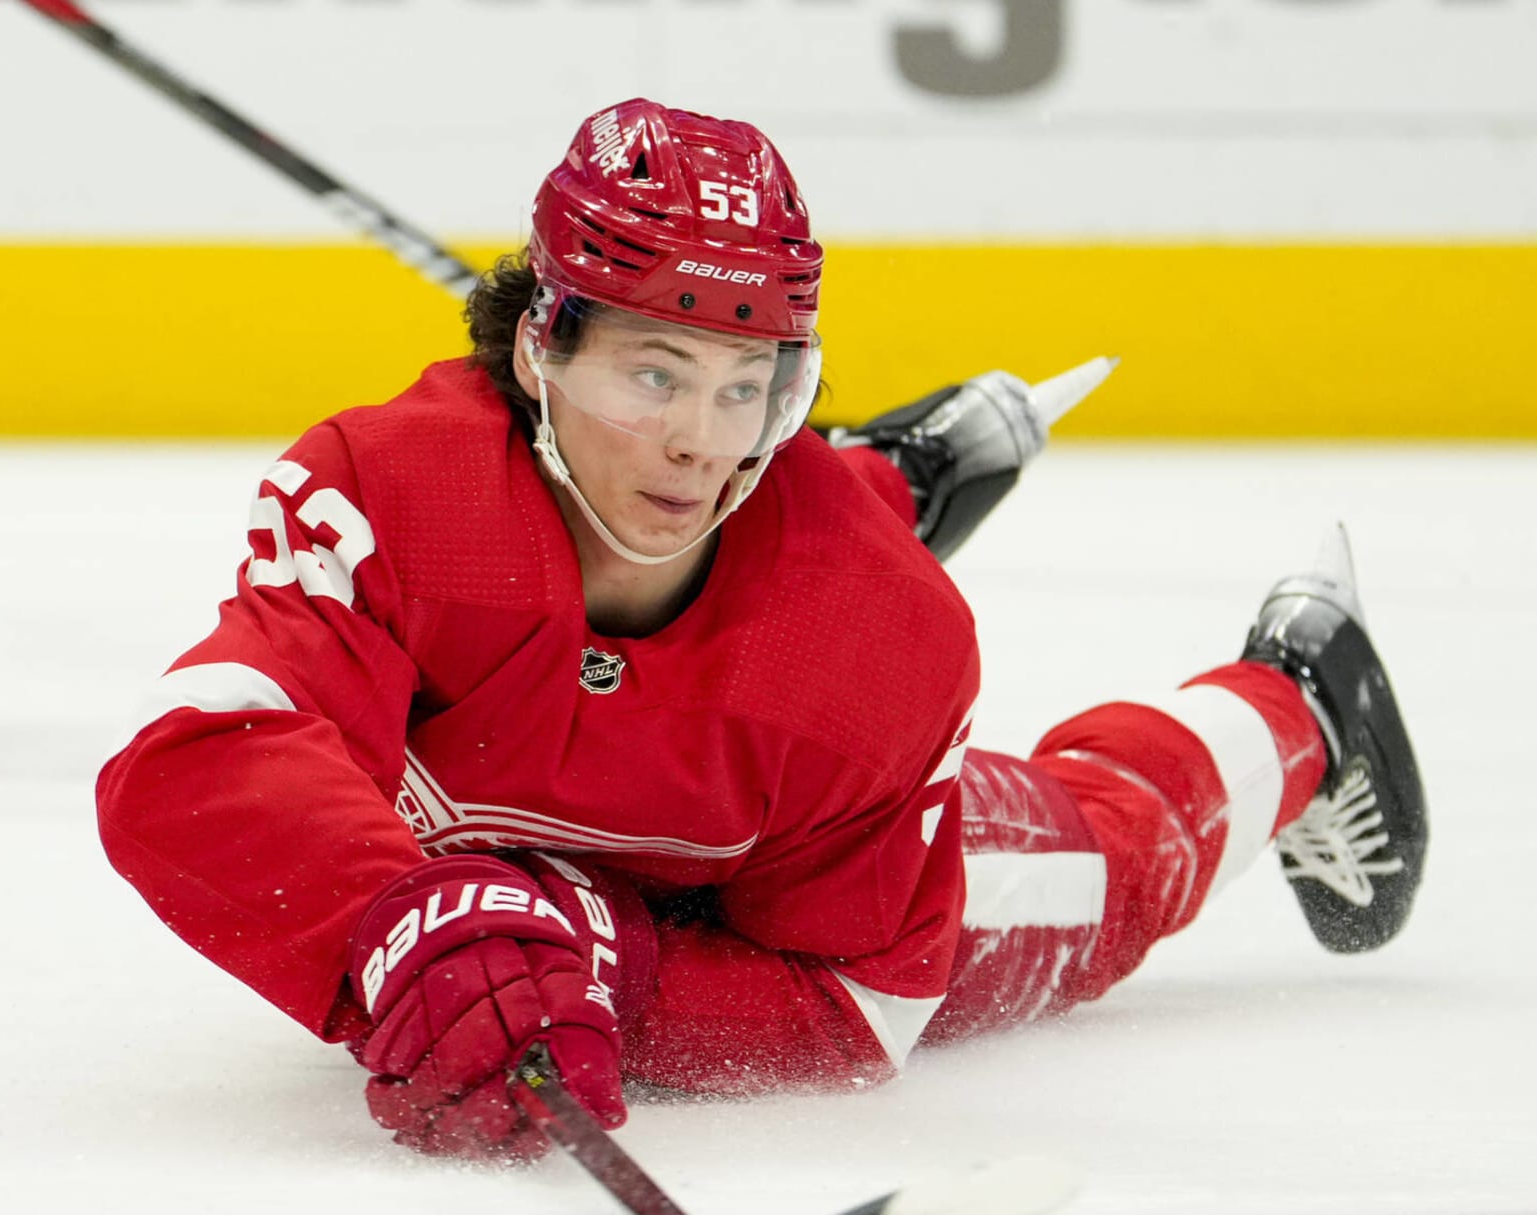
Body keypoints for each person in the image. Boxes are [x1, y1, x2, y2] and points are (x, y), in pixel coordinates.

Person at [95, 98, 1428, 1160]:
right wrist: (389, 920)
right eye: (653, 372)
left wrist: (599, 964)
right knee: (698, 517)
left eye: (750, 386)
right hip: (611, 757)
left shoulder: (865, 644)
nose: (699, 439)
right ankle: (890, 471)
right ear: (537, 346)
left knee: (1094, 870)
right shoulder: (396, 491)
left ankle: (1300, 698)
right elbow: (198, 751)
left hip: (757, 866)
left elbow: (861, 1008)